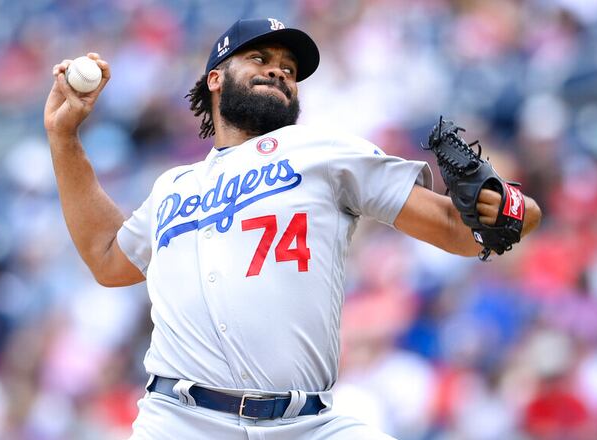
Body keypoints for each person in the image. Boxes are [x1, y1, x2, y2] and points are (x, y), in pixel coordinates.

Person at [43, 17, 541, 440]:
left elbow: (468, 228)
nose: (279, 71)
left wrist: (509, 206)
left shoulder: (324, 152)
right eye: (260, 59)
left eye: (289, 68)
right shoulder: (174, 186)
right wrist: (64, 138)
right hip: (179, 419)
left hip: (307, 424)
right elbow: (108, 258)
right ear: (216, 78)